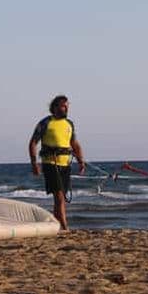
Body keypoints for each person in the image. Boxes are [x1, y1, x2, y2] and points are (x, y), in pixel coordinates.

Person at [29, 95, 86, 230]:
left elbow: (75, 144)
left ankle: (56, 226)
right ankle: (65, 227)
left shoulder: (69, 124)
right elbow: (33, 143)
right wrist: (34, 164)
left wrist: (80, 161)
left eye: (67, 106)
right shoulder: (45, 123)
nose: (66, 108)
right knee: (59, 196)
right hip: (50, 164)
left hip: (65, 165)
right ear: (55, 107)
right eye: (63, 106)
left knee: (60, 198)